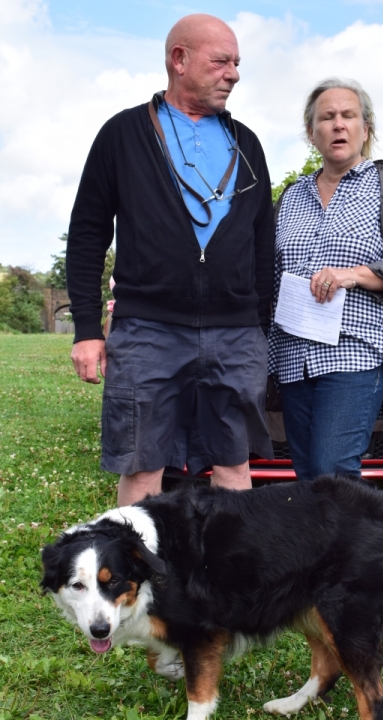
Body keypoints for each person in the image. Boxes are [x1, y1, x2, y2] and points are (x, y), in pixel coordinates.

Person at [66, 14, 274, 504]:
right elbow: (88, 233)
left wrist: (257, 326)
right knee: (141, 469)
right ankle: (139, 580)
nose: (234, 74)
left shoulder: (248, 145)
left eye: (237, 63)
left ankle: (228, 578)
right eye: (221, 61)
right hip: (148, 331)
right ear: (179, 60)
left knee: (234, 465)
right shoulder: (122, 134)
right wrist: (86, 330)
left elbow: (263, 243)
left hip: (235, 333)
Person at [268, 78, 383, 480]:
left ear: (366, 129)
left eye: (349, 116)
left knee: (332, 469)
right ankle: (325, 545)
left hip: (356, 349)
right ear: (311, 133)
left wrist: (355, 275)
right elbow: (270, 275)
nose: (338, 125)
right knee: (308, 473)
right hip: (293, 357)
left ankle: (377, 541)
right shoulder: (290, 197)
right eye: (326, 118)